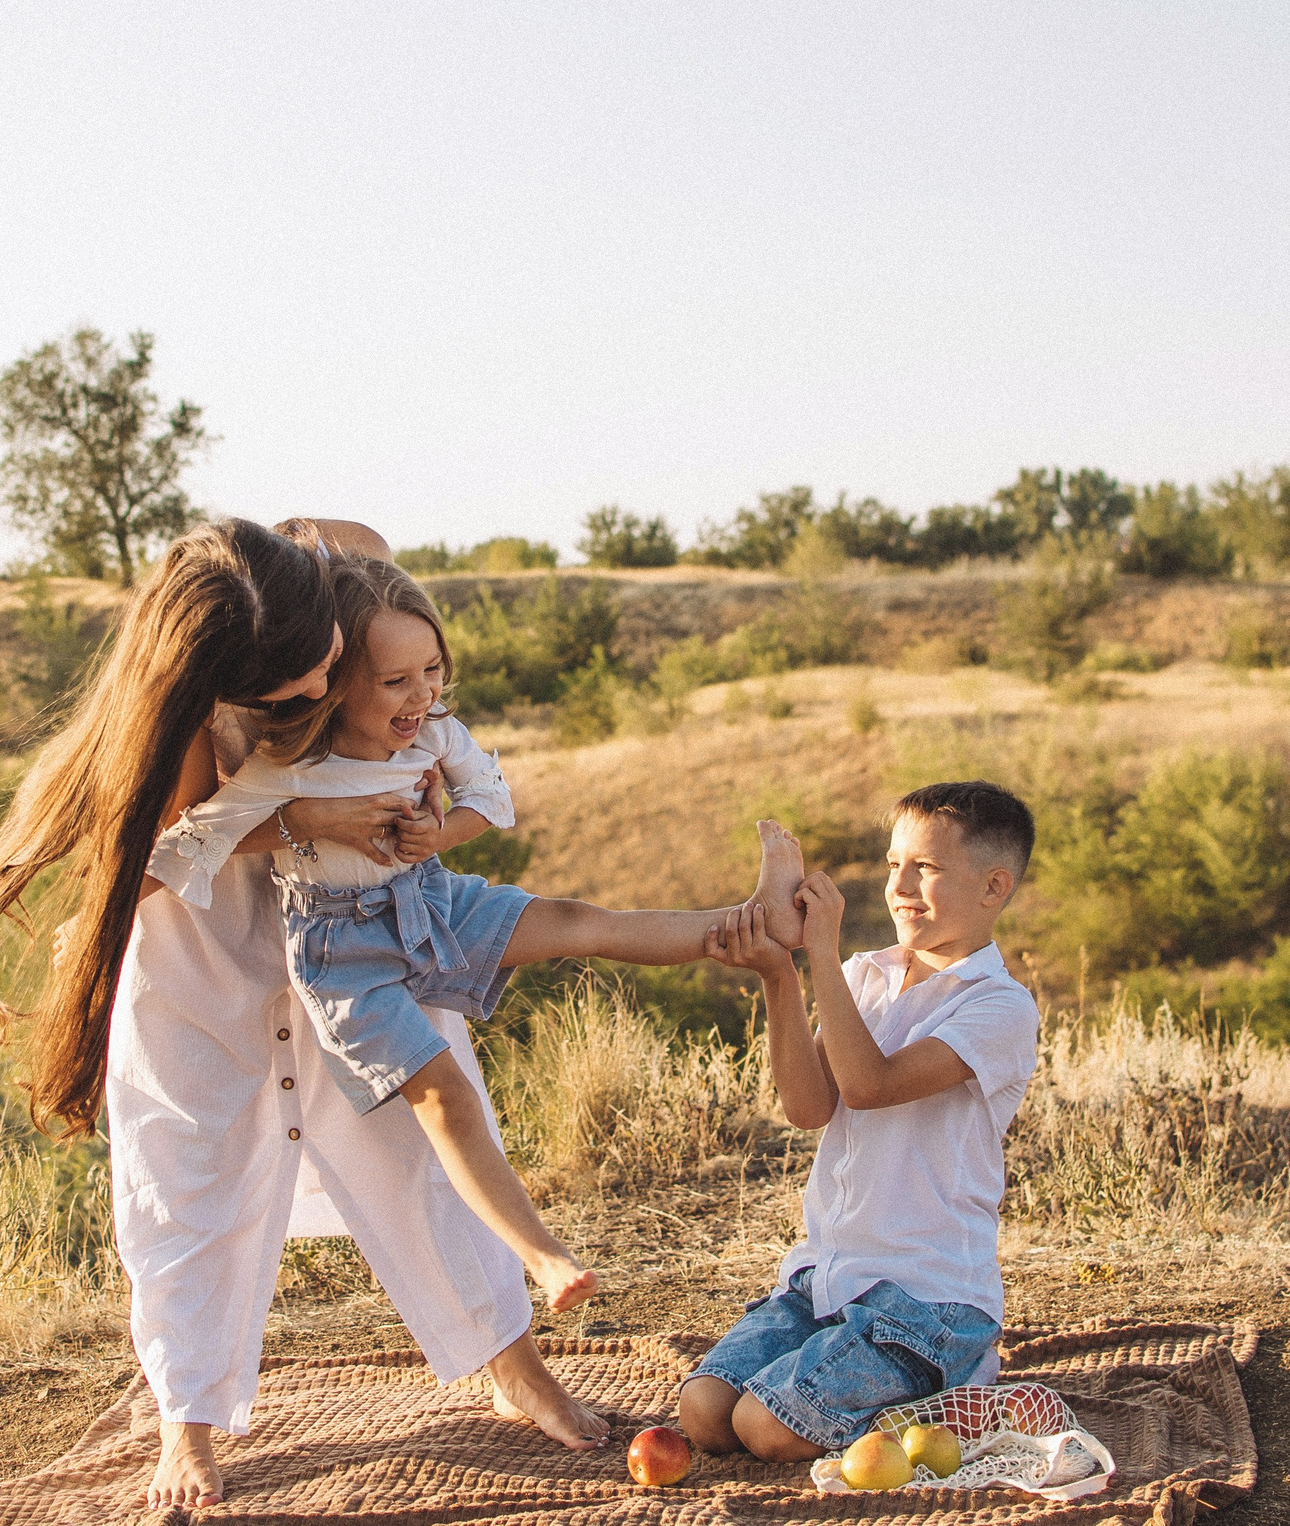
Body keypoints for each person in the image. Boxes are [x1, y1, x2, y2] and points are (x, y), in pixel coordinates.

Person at [0, 518, 610, 1511]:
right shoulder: (176, 710)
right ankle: (189, 1424)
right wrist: (295, 819)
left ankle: (513, 1366)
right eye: (283, 699)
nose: (309, 701)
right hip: (200, 947)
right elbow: (157, 865)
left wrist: (407, 814)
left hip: (348, 937)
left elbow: (418, 712)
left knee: (419, 1144)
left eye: (320, 679)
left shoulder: (328, 567)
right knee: (189, 1176)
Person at [149, 554, 808, 1315]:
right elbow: (189, 841)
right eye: (396, 681)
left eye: (432, 670)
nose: (423, 694)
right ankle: (543, 1255)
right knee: (444, 1095)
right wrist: (302, 821)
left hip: (426, 898)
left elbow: (493, 797)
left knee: (577, 920)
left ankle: (758, 921)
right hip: (342, 956)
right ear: (336, 682)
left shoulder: (434, 734)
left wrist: (441, 834)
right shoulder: (293, 762)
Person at [676, 780, 1043, 1463]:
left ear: (995, 887)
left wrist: (817, 953)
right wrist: (781, 976)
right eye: (892, 863)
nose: (900, 884)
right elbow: (810, 1106)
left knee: (767, 1427)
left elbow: (870, 1085)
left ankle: (958, 1381)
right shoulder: (866, 977)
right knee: (704, 1413)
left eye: (925, 868)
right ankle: (864, 1375)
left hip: (927, 1300)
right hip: (827, 1280)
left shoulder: (1000, 1007)